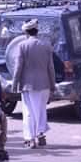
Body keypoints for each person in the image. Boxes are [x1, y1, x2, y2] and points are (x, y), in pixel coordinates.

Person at [10, 19, 56, 148]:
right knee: (41, 110)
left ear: (26, 32)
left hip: (28, 85)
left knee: (29, 111)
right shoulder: (46, 45)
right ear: (37, 31)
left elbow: (18, 66)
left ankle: (30, 138)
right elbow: (51, 67)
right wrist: (53, 85)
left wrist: (14, 83)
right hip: (45, 84)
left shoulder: (22, 46)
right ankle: (41, 134)